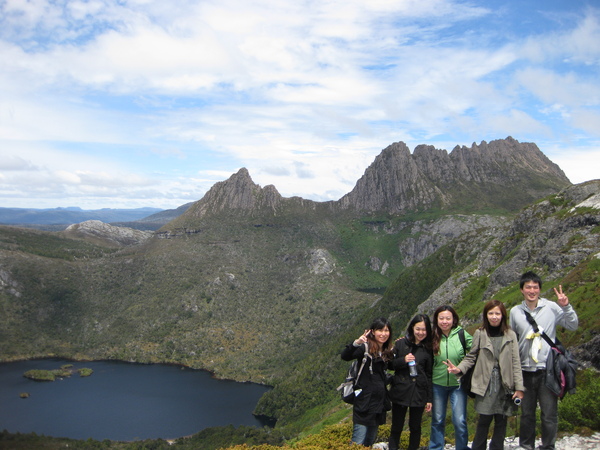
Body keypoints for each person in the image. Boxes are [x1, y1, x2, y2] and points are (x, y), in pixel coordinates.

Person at [509, 271, 579, 450]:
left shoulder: (551, 307)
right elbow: (513, 339)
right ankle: (526, 446)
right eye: (528, 287)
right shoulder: (515, 312)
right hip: (525, 370)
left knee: (549, 413)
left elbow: (572, 325)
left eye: (535, 287)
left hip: (547, 370)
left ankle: (548, 446)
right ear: (522, 290)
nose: (532, 290)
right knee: (527, 414)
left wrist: (566, 306)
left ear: (540, 289)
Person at [444, 300, 524, 450]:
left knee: (501, 421)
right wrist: (459, 369)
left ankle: (497, 447)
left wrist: (519, 388)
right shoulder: (480, 334)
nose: (494, 317)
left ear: (503, 315)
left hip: (505, 385)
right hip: (485, 384)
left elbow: (516, 363)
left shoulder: (510, 334)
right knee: (484, 420)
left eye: (497, 313)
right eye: (491, 313)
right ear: (486, 315)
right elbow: (471, 356)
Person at [341, 317, 394, 447]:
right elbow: (345, 356)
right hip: (364, 402)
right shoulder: (365, 348)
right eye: (380, 330)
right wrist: (356, 343)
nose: (383, 334)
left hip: (378, 404)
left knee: (370, 440)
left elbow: (394, 366)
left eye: (386, 330)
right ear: (373, 332)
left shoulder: (387, 352)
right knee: (358, 441)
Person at [429, 305, 472, 450]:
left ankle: (462, 447)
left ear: (454, 320)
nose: (445, 321)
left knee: (459, 420)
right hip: (437, 383)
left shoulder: (461, 334)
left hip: (458, 383)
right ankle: (436, 447)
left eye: (448, 318)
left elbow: (476, 348)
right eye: (441, 318)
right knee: (438, 420)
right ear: (436, 320)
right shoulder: (432, 335)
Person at [388, 314, 433, 450]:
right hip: (401, 391)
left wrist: (429, 398)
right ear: (412, 328)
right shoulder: (400, 344)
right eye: (418, 329)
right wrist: (403, 360)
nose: (421, 333)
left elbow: (429, 374)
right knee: (397, 426)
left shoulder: (428, 348)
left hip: (419, 392)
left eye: (424, 330)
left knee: (415, 427)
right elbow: (390, 365)